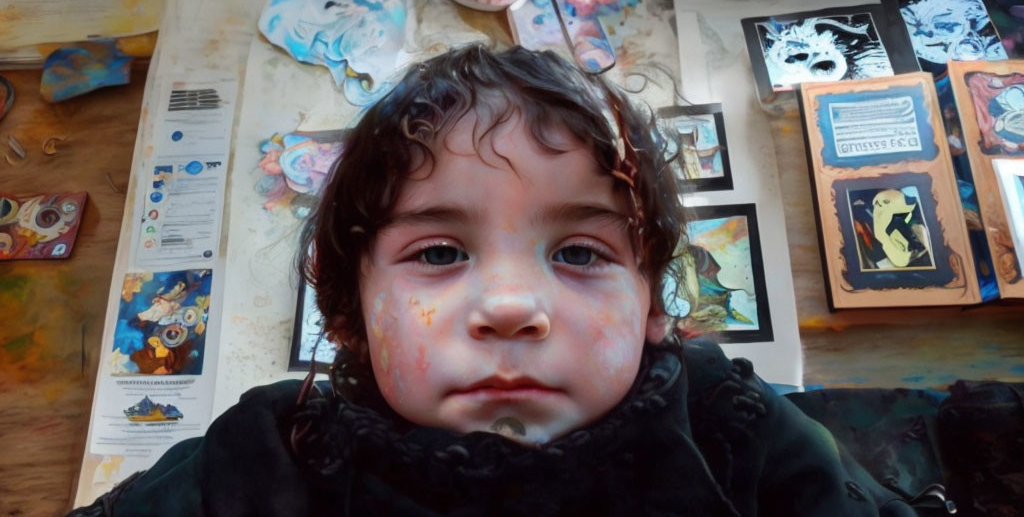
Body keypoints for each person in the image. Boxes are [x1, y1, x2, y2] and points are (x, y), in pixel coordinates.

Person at [71, 45, 937, 516]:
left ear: (652, 308)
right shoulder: (269, 458)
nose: (513, 307)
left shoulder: (732, 428)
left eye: (582, 254)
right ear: (348, 313)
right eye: (440, 254)